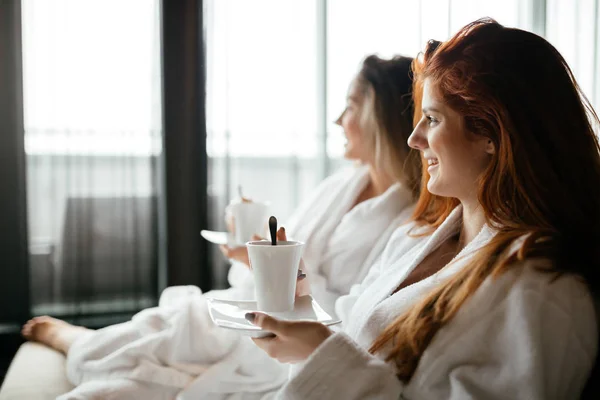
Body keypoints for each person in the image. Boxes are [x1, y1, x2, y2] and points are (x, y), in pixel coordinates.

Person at [21, 54, 422, 399]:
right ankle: (86, 344)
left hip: (292, 337)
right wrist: (255, 258)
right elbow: (289, 257)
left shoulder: (407, 218)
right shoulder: (341, 184)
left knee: (168, 355)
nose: (338, 120)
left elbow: (356, 313)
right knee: (178, 323)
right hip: (256, 305)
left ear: (379, 118)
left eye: (350, 107)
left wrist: (284, 279)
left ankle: (82, 345)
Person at [248, 19, 600, 399]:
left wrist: (321, 356)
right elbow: (353, 346)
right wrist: (300, 303)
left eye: (432, 119)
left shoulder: (543, 292)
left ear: (491, 134)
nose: (414, 139)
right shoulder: (416, 238)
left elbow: (341, 365)